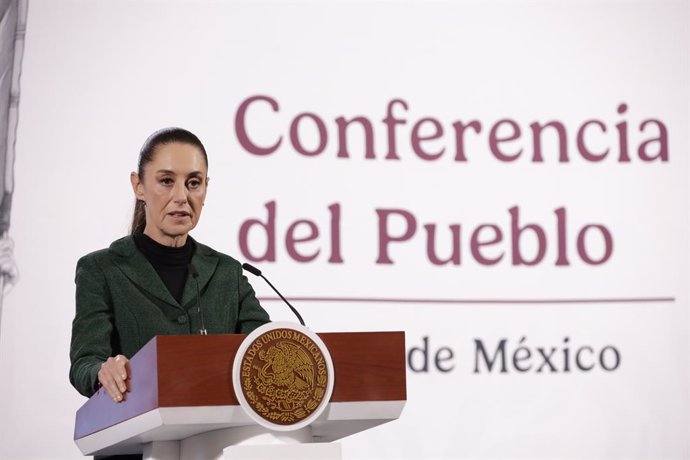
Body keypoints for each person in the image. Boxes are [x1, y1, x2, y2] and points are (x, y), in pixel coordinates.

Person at [69, 127, 271, 403]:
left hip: (212, 441)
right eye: (166, 181)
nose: (181, 197)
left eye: (193, 183)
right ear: (138, 186)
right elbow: (84, 363)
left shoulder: (228, 273)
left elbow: (266, 348)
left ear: (205, 189)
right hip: (136, 441)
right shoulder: (101, 270)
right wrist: (103, 370)